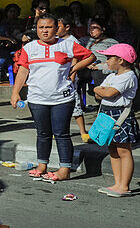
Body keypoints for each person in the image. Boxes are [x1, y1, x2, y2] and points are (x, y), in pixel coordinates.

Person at [10, 13, 95, 182]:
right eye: (41, 27)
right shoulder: (29, 48)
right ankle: (42, 165)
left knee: (62, 133)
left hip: (62, 98)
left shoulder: (67, 45)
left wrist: (74, 68)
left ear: (56, 28)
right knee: (42, 133)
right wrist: (15, 92)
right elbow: (23, 70)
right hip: (37, 98)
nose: (45, 31)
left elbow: (90, 56)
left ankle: (65, 169)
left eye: (49, 27)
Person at [92, 43, 138, 196]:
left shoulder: (128, 76)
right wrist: (100, 90)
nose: (107, 61)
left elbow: (109, 92)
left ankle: (124, 186)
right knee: (112, 149)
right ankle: (117, 183)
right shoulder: (112, 76)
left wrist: (100, 90)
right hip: (107, 114)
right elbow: (99, 92)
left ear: (121, 60)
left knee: (124, 150)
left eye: (109, 58)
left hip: (121, 116)